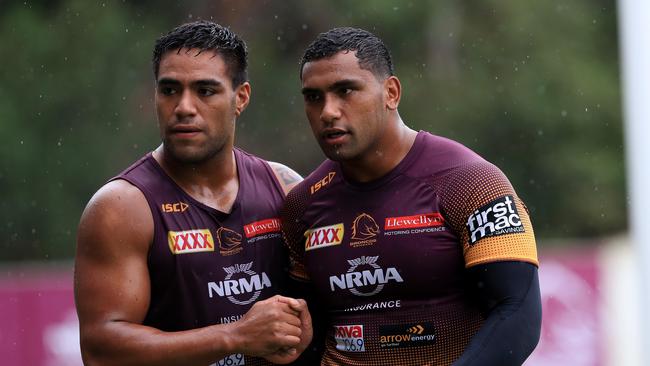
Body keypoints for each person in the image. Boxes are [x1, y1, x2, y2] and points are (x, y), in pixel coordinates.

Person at [280, 27, 541, 365]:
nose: (328, 112)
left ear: (391, 92)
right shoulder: (301, 205)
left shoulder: (473, 182)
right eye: (314, 97)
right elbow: (303, 335)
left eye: (345, 91)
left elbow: (518, 313)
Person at [74, 21, 312, 366]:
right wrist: (236, 336)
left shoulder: (285, 187)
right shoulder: (121, 208)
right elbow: (101, 351)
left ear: (240, 98)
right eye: (170, 90)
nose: (184, 107)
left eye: (205, 90)